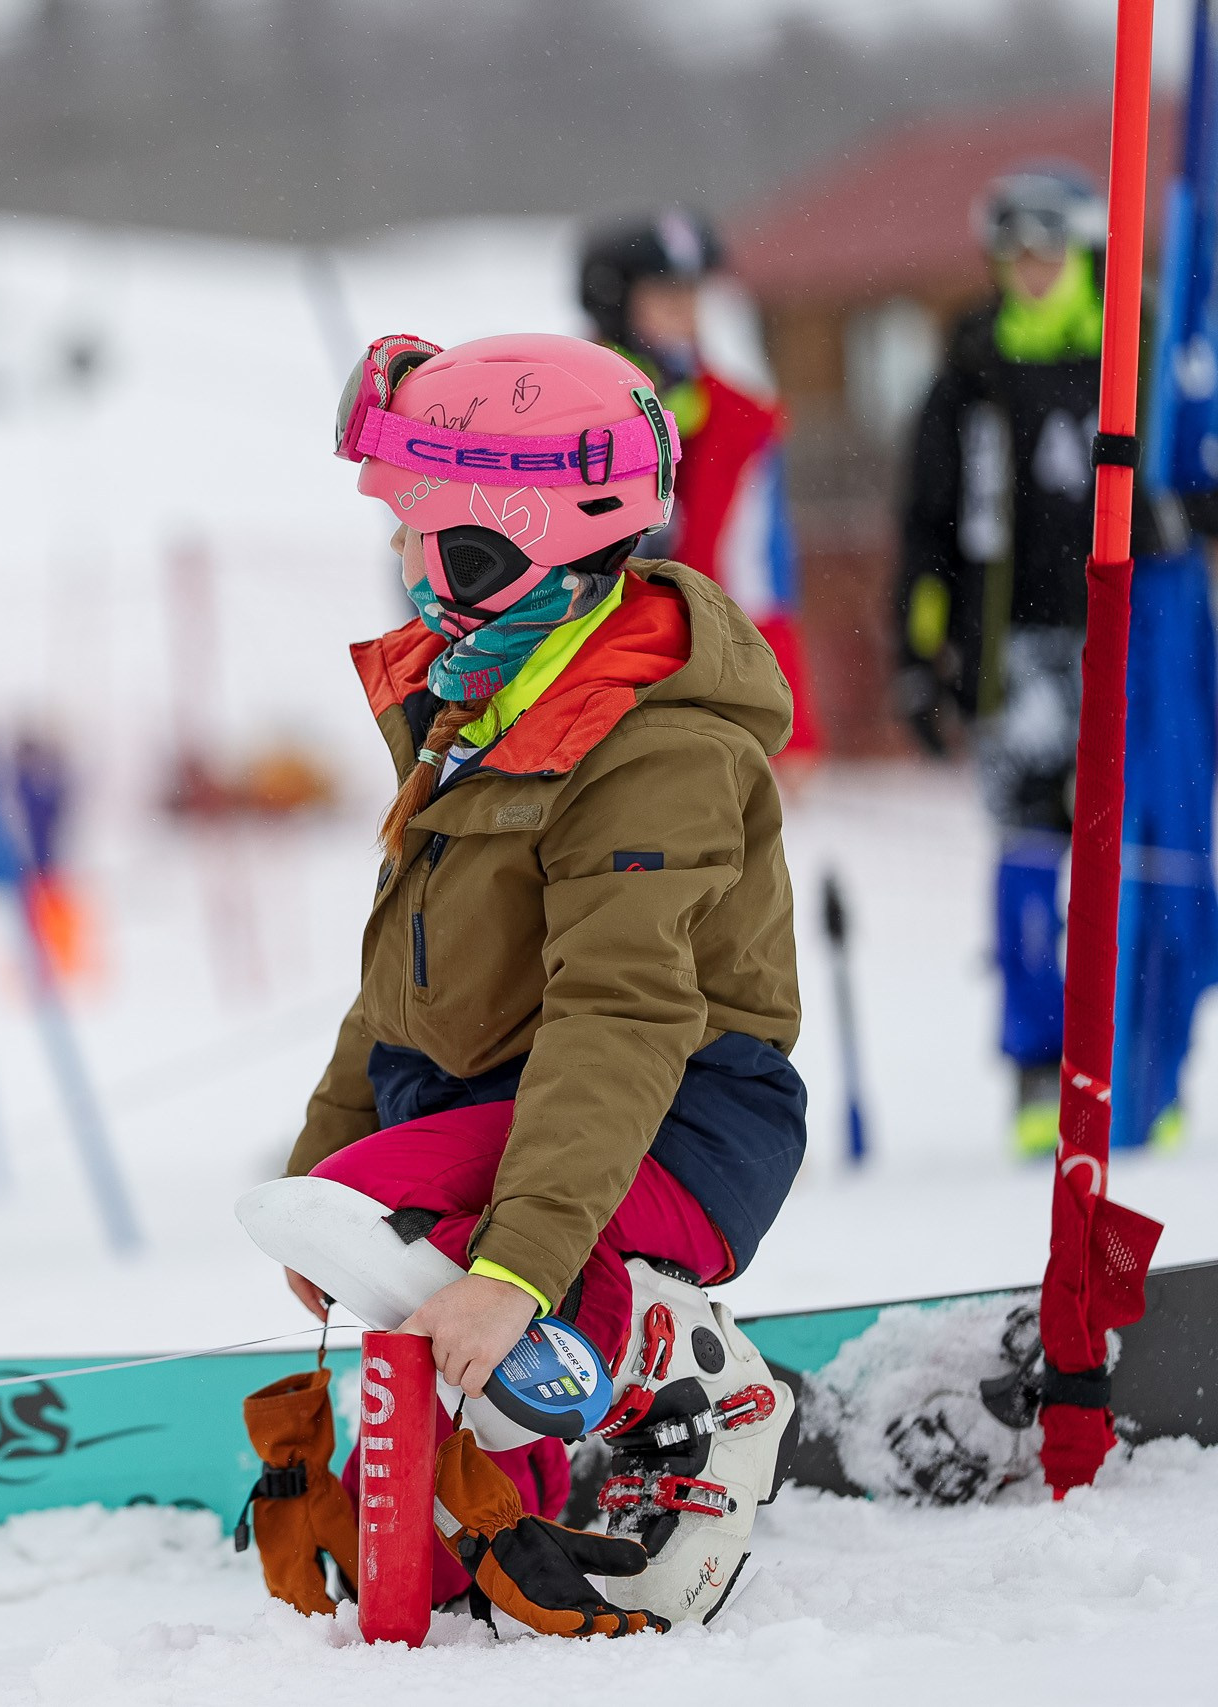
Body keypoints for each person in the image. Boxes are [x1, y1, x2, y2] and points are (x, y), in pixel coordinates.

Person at [239, 332, 806, 1631]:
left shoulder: (654, 748)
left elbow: (623, 1013)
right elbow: (400, 981)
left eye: (422, 533)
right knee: (359, 1212)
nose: (402, 563)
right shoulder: (488, 696)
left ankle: (674, 1377)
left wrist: (519, 1268)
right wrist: (326, 1157)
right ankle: (487, 1494)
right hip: (495, 1096)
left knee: (405, 1224)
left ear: (505, 539)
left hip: (683, 1118)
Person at [894, 164, 1184, 1156]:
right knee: (1029, 856)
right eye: (1012, 247)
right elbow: (925, 524)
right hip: (1010, 651)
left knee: (1136, 853)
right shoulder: (970, 366)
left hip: (1130, 637)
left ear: (1086, 248)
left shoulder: (1138, 347)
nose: (1030, 266)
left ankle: (1141, 1064)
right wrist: (914, 650)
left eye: (1049, 245)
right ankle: (1033, 1069)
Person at [579, 208, 820, 762]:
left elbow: (761, 576)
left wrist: (789, 720)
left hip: (698, 694)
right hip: (577, 697)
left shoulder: (740, 422)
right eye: (665, 295)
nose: (687, 314)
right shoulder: (555, 410)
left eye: (694, 294)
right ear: (616, 303)